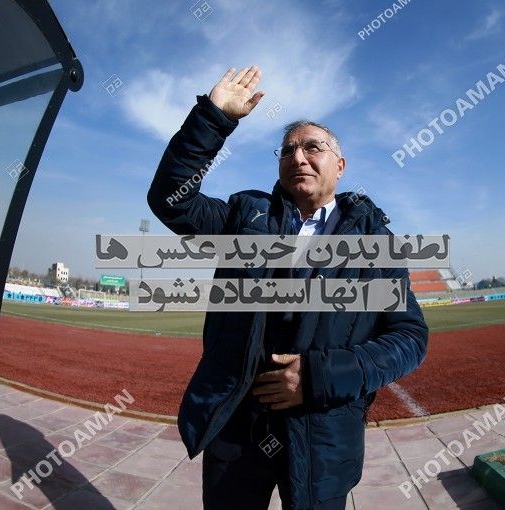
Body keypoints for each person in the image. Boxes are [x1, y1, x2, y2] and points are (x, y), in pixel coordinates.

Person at [147, 66, 429, 510]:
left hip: (322, 436)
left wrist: (319, 377)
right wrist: (213, 118)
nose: (298, 157)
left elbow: (410, 337)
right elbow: (170, 200)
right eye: (287, 150)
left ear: (340, 165)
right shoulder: (245, 215)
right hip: (238, 431)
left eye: (312, 147)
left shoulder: (375, 242)